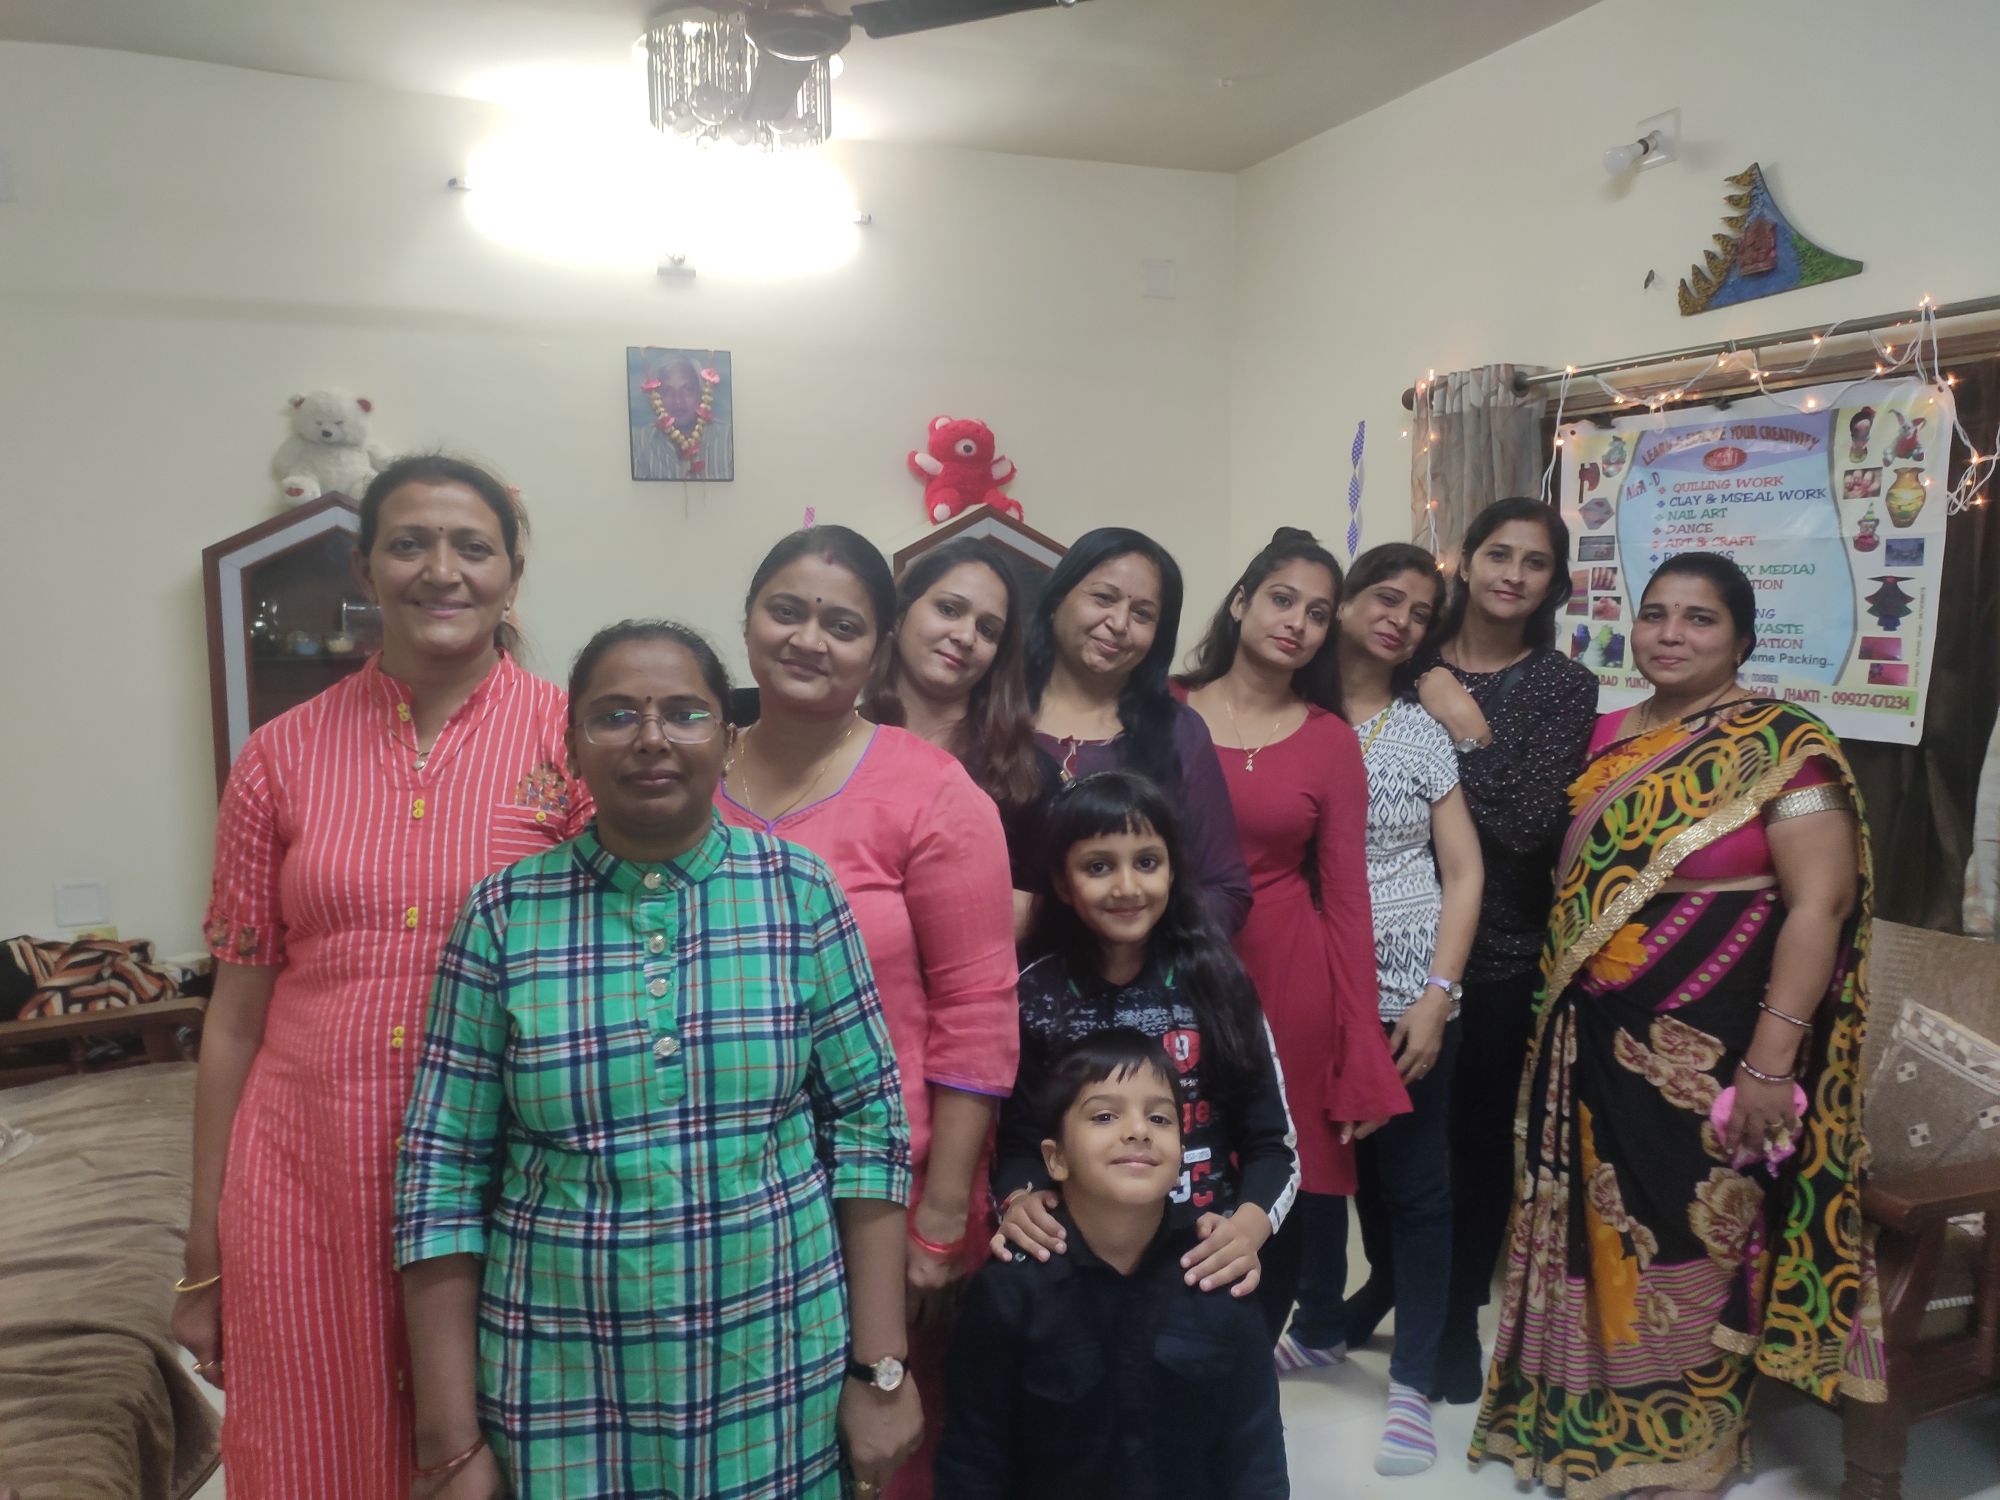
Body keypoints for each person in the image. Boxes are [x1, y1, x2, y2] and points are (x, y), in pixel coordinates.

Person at [394, 621, 916, 1499]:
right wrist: (448, 1440)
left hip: (776, 1366)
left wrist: (882, 1370)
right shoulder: (503, 915)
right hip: (561, 1379)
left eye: (684, 713)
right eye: (614, 716)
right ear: (570, 749)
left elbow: (870, 1131)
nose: (650, 738)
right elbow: (440, 1173)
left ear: (728, 739)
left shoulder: (798, 892)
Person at [175, 455, 590, 1497]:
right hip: (304, 1178)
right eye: (409, 544)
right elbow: (235, 1014)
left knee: (504, 1455)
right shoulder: (278, 756)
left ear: (513, 572)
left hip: (512, 1184)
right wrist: (203, 1249)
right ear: (365, 568)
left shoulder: (575, 745)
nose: (441, 571)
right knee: (317, 1455)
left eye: (472, 547)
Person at [1472, 552, 1880, 1498]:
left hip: (1712, 1048)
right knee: (1587, 1230)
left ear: (1742, 640)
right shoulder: (1602, 735)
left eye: (1699, 619)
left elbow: (1819, 905)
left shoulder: (1786, 746)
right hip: (1587, 1033)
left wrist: (1772, 1061)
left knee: (1693, 1232)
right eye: (1655, 614)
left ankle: (1690, 1444)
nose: (1670, 635)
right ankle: (1577, 1416)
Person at [718, 526, 1019, 1500]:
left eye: (842, 624)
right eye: (787, 611)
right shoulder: (688, 775)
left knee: (880, 1454)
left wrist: (942, 1218)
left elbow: (978, 1013)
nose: (809, 640)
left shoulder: (933, 792)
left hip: (883, 1195)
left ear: (878, 645)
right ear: (748, 619)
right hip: (717, 1196)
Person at [1174, 527, 1408, 1347]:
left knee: (1275, 1186)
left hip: (1287, 981)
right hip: (1173, 965)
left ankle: (1248, 1364)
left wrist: (1362, 1051)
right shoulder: (1165, 710)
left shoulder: (1330, 739)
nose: (1297, 624)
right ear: (1240, 602)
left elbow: (1346, 901)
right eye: (1281, 600)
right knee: (1169, 1164)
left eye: (1316, 613)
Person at [1402, 497, 1599, 1400]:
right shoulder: (1407, 656)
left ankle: (1453, 1322)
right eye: (1498, 554)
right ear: (1467, 560)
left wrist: (1464, 724)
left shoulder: (1562, 686)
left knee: (1474, 1139)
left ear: (1553, 583)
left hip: (1500, 947)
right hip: (1392, 936)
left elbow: (1524, 828)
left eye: (1534, 562)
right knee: (1386, 1130)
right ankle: (1396, 1289)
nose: (1512, 574)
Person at [937, 1029, 1288, 1500]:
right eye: (1105, 1115)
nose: (1138, 1131)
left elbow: (1255, 1458)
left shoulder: (1216, 1275)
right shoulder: (1011, 1288)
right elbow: (973, 1459)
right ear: (1056, 1158)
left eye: (1159, 1118)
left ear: (1181, 1156)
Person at [990, 770, 1298, 1305]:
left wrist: (1246, 1231)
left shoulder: (1218, 983)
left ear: (1173, 870)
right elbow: (1016, 1143)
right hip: (1077, 1266)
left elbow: (1273, 1145)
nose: (1127, 887)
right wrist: (1019, 1200)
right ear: (1062, 882)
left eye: (1147, 863)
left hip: (1203, 1263)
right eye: (1098, 866)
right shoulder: (1034, 995)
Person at [1325, 542, 1483, 1476]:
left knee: (1418, 1188)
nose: (1400, 620)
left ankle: (1413, 1383)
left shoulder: (1420, 729)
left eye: (1420, 613)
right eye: (1385, 598)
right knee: (1323, 1179)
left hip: (1409, 991)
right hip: (1311, 991)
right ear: (1343, 602)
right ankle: (1317, 1325)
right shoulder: (1289, 715)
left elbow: (1463, 872)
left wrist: (1437, 995)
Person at [1021, 527, 1253, 936]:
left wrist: (1135, 935)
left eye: (1143, 614)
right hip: (997, 969)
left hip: (1142, 971)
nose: (1119, 623)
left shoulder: (1179, 732)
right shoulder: (992, 714)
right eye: (1103, 598)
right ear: (1057, 600)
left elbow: (1226, 891)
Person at [862, 535, 1049, 924]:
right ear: (899, 614)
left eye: (987, 630)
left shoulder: (1026, 769)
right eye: (948, 609)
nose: (965, 637)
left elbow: (1055, 908)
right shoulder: (839, 736)